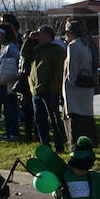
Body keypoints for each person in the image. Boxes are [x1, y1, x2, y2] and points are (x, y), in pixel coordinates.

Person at [29, 24, 67, 152]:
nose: (38, 37)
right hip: (36, 91)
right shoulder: (37, 50)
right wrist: (29, 40)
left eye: (41, 34)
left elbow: (59, 71)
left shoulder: (57, 50)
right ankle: (45, 145)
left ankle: (59, 144)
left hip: (50, 91)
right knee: (40, 120)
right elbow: (24, 54)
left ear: (48, 36)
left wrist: (52, 88)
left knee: (54, 119)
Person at [63, 19, 97, 144]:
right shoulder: (85, 44)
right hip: (86, 88)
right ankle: (89, 143)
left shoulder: (72, 46)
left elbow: (72, 69)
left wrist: (69, 86)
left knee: (75, 120)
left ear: (71, 32)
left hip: (76, 89)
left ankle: (75, 145)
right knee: (86, 118)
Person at [0, 24, 21, 140]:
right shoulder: (3, 46)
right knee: (7, 108)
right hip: (4, 82)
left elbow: (18, 60)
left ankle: (13, 132)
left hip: (10, 83)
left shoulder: (11, 47)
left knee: (11, 108)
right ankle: (9, 131)